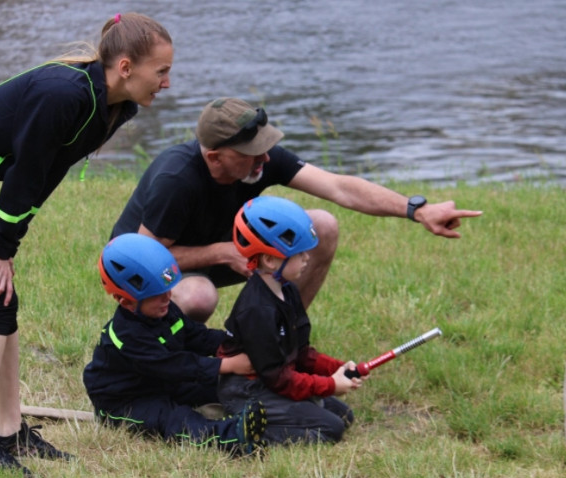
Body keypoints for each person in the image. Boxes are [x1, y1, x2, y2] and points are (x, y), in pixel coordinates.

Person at [0, 13, 174, 478]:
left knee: (2, 302)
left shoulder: (114, 107)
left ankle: (11, 430)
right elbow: (25, 173)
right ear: (125, 67)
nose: (166, 82)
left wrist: (7, 243)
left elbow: (46, 173)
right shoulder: (63, 95)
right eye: (160, 71)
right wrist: (1, 249)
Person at [110, 97, 483, 323]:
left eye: (265, 147)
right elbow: (147, 259)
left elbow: (339, 187)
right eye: (253, 152)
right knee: (199, 297)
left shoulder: (257, 162)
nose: (266, 158)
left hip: (222, 252)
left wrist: (416, 210)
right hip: (148, 271)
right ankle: (174, 364)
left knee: (321, 227)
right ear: (214, 156)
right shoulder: (177, 178)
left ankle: (279, 341)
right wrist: (224, 253)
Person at [82, 233, 267, 456]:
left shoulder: (166, 310)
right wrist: (227, 365)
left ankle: (269, 406)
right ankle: (231, 437)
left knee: (218, 386)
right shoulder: (126, 336)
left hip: (164, 383)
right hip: (126, 400)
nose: (168, 297)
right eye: (157, 294)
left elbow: (199, 337)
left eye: (167, 289)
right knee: (174, 419)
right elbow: (173, 365)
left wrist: (237, 344)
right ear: (126, 301)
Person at [217, 195, 364, 444]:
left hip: (275, 382)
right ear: (271, 260)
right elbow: (278, 378)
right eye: (299, 254)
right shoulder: (257, 310)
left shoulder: (288, 290)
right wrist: (328, 385)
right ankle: (238, 428)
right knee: (331, 429)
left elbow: (301, 353)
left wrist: (337, 368)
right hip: (247, 390)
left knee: (344, 415)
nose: (307, 258)